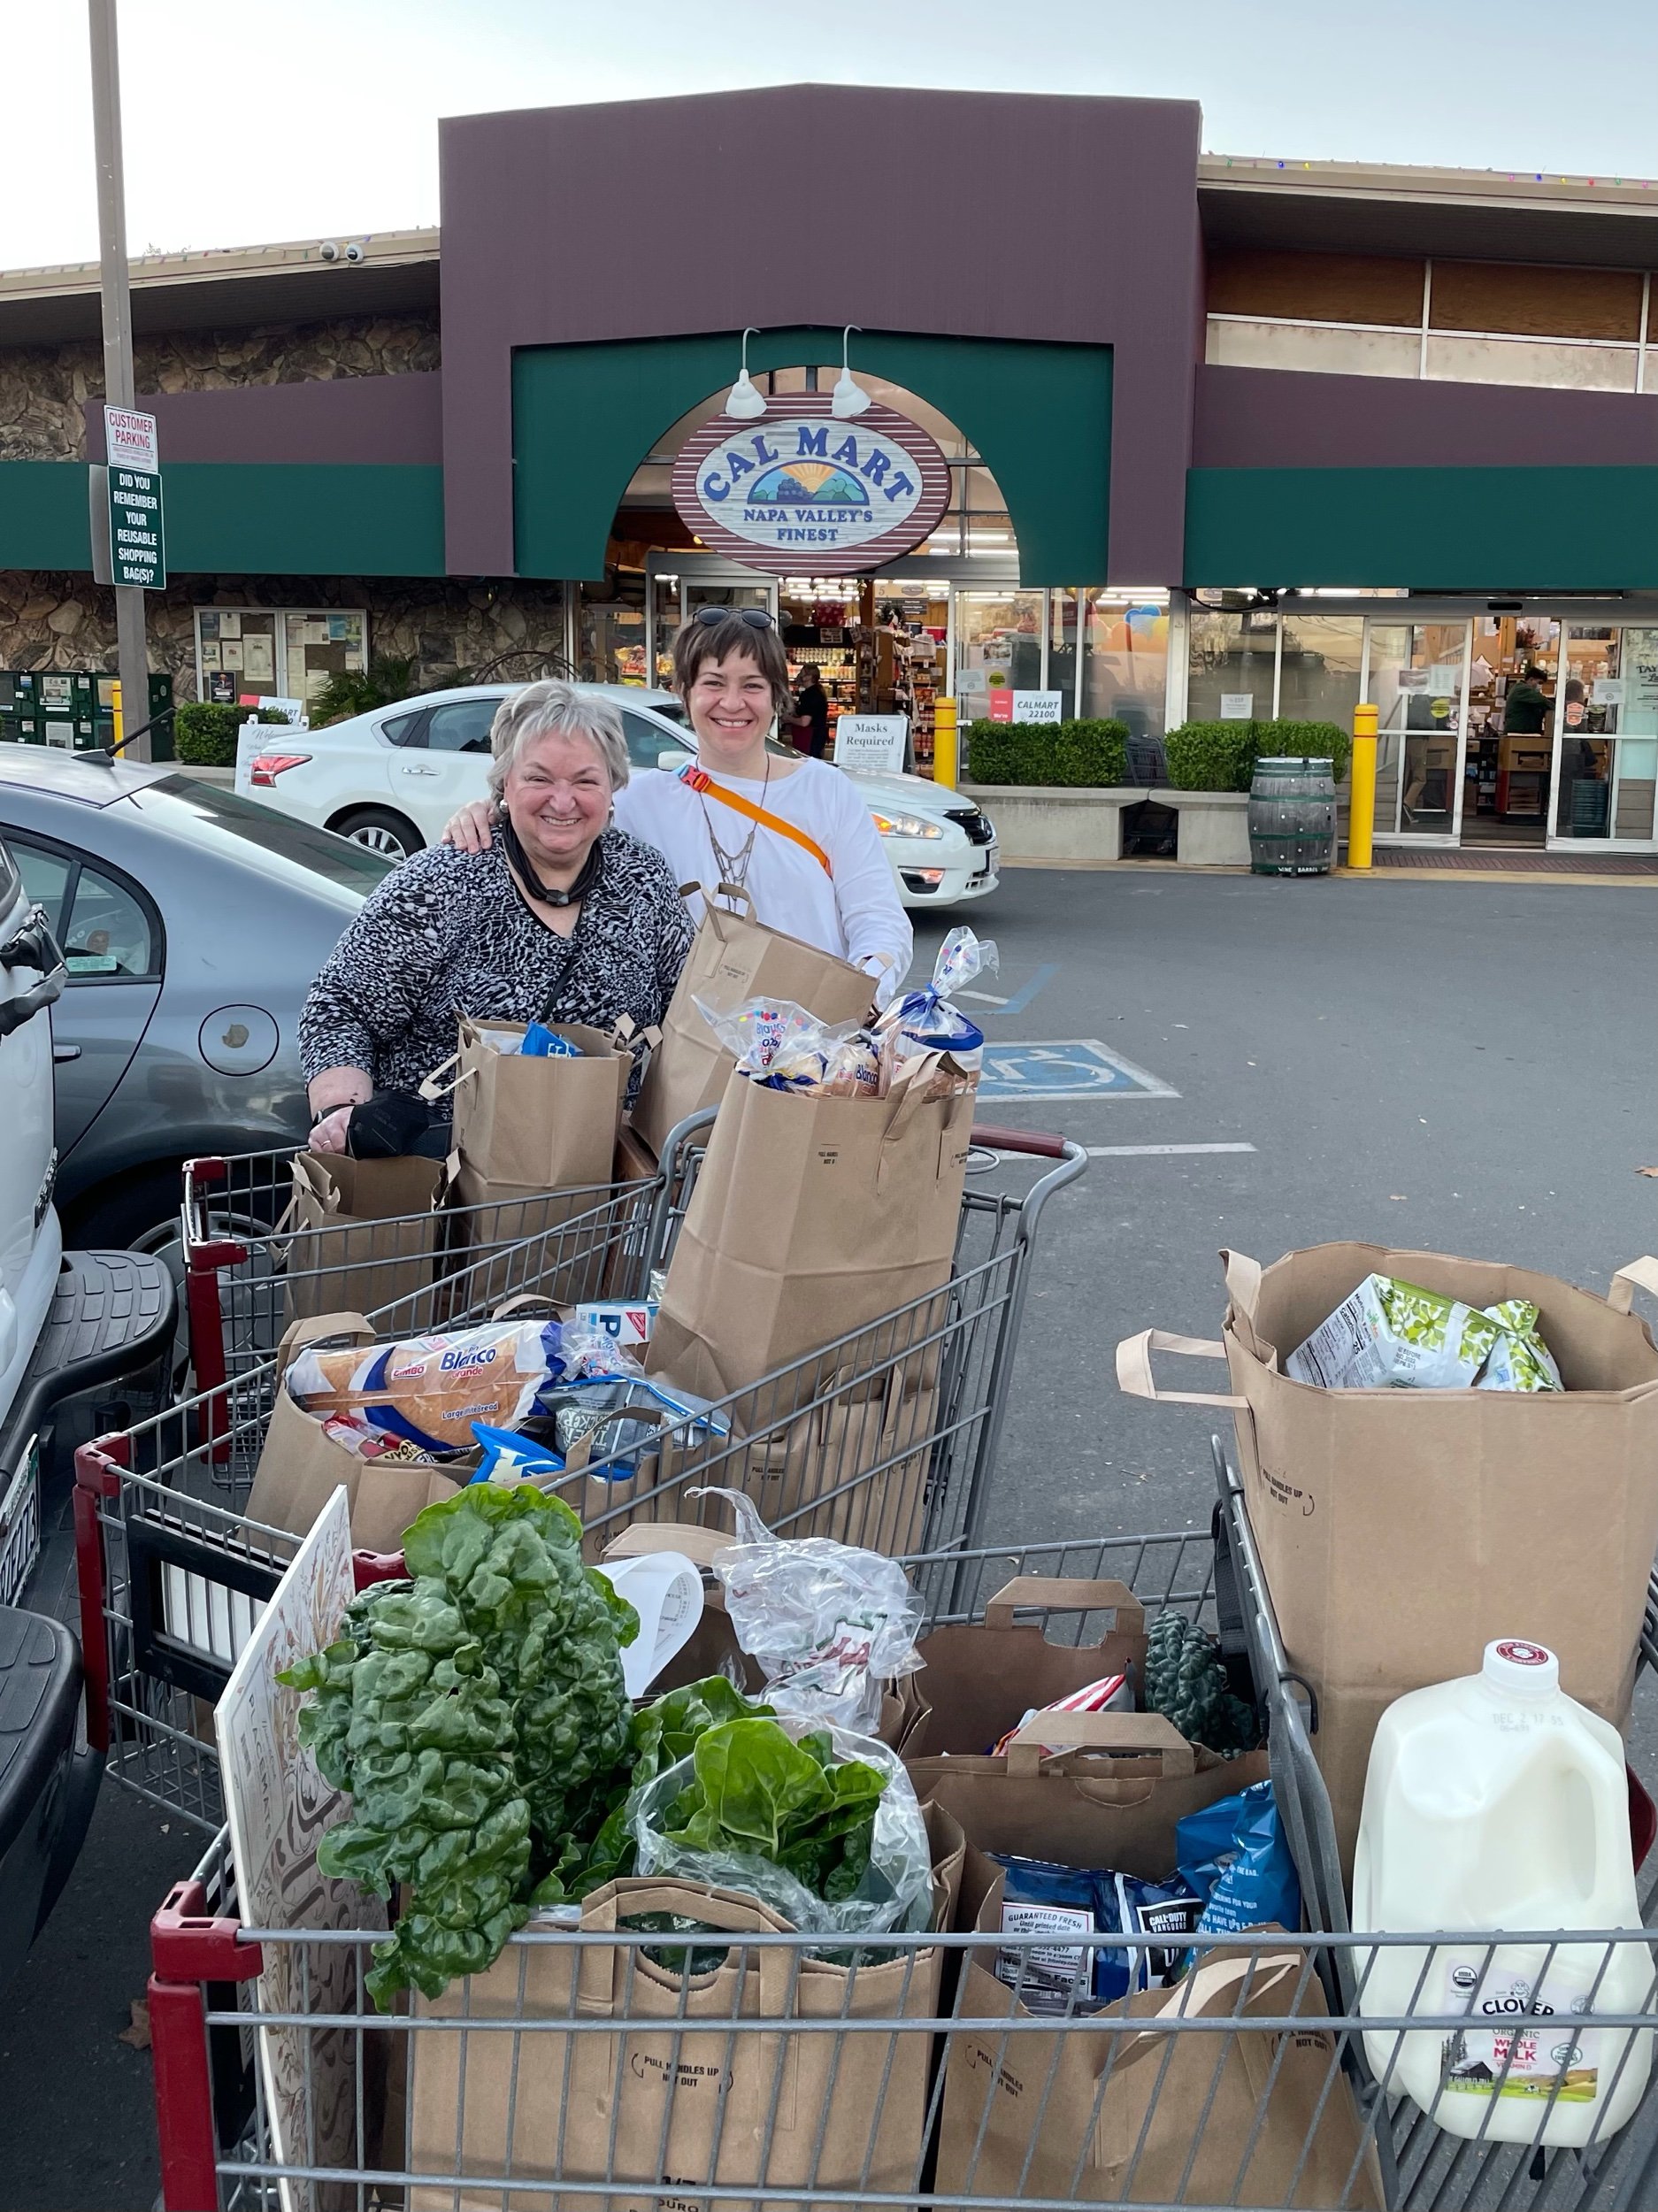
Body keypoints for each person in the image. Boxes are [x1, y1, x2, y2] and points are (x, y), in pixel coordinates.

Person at [300, 681, 693, 1155]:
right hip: (444, 1170)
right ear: (505, 783)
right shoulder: (440, 883)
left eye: (585, 781)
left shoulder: (642, 877)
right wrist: (342, 1112)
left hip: (601, 1172)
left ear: (613, 787)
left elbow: (688, 1012)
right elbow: (341, 1007)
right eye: (539, 779)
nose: (562, 801)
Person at [442, 607, 912, 1002]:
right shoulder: (640, 800)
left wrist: (860, 992)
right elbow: (556, 817)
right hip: (692, 1049)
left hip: (812, 1045)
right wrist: (487, 811)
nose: (733, 703)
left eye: (752, 685)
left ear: (776, 697)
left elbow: (879, 920)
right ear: (684, 692)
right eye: (713, 683)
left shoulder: (826, 791)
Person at [794, 664, 830, 759]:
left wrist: (788, 719)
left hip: (809, 738)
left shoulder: (809, 694)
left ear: (809, 677)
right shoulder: (817, 691)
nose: (799, 676)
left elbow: (804, 722)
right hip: (817, 737)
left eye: (802, 673)